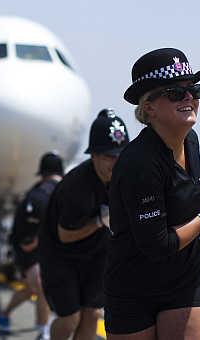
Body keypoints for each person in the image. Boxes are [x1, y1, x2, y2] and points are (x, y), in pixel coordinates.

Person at [104, 48, 200, 340]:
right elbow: (158, 245)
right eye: (174, 92)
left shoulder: (190, 140)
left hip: (185, 278)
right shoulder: (139, 164)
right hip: (133, 288)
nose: (188, 98)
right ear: (149, 108)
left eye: (194, 90)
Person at [39, 109, 130, 340]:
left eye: (122, 155)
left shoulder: (124, 179)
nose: (117, 162)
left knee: (92, 313)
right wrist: (99, 221)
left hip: (97, 254)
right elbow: (65, 235)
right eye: (110, 156)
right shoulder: (76, 186)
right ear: (94, 155)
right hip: (61, 256)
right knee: (70, 318)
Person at [0, 152, 64, 339]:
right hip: (32, 251)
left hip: (46, 249)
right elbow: (26, 237)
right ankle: (43, 331)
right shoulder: (38, 195)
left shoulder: (45, 192)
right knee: (41, 285)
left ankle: (4, 314)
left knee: (30, 289)